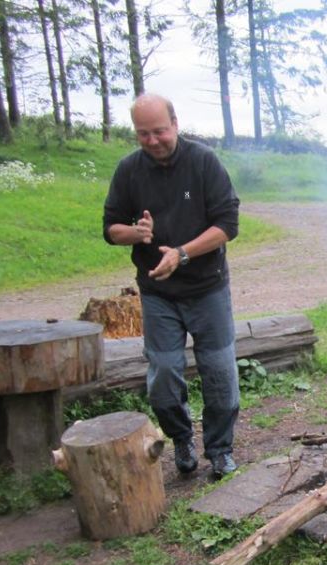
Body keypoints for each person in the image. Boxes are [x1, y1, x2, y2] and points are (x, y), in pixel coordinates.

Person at [103, 93, 241, 480]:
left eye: (159, 131)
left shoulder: (203, 162)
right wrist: (134, 233)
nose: (152, 140)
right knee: (163, 373)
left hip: (207, 287)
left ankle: (220, 449)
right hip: (158, 293)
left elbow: (227, 225)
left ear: (176, 124)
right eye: (143, 133)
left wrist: (181, 254)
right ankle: (182, 440)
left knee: (219, 372)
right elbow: (111, 229)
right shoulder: (129, 170)